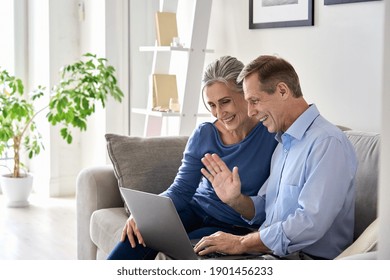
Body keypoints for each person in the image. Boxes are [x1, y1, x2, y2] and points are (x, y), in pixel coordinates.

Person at [107, 56, 278, 260]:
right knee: (139, 235)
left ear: (246, 94)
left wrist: (236, 201)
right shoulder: (204, 134)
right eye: (212, 105)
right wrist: (144, 216)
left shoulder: (271, 134)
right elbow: (181, 189)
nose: (219, 113)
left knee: (189, 251)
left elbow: (273, 203)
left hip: (232, 225)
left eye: (225, 102)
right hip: (194, 210)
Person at [195, 55, 358, 260]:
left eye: (254, 101)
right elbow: (266, 207)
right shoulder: (284, 143)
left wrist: (240, 243)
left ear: (282, 90)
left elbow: (310, 223)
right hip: (271, 255)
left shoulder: (327, 143)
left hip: (304, 260)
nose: (251, 112)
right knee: (182, 257)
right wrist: (235, 200)